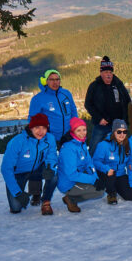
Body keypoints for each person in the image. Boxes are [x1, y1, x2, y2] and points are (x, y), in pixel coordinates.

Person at [27, 69, 78, 206]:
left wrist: (74, 128)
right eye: (51, 79)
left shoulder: (66, 94)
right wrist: (40, 134)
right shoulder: (38, 99)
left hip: (66, 136)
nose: (55, 82)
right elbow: (32, 119)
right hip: (47, 137)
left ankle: (68, 190)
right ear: (46, 81)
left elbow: (73, 111)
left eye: (57, 79)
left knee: (67, 163)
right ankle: (36, 194)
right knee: (40, 164)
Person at [0, 113, 58, 215]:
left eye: (44, 128)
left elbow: (52, 156)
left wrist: (50, 167)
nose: (41, 131)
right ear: (31, 127)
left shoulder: (50, 138)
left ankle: (46, 202)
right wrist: (17, 193)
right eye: (37, 127)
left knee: (54, 174)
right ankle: (19, 194)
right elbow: (6, 169)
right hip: (18, 174)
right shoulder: (17, 141)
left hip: (36, 170)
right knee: (16, 208)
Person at [85, 56, 131, 156]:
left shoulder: (118, 84)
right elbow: (88, 104)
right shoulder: (94, 86)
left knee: (119, 150)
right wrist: (99, 118)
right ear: (101, 73)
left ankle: (118, 168)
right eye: (106, 72)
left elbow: (127, 101)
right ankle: (90, 168)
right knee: (94, 147)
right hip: (102, 124)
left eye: (110, 72)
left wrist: (125, 120)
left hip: (118, 125)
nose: (108, 75)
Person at [58, 118, 104, 213]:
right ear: (73, 131)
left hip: (78, 177)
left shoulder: (81, 143)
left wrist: (95, 178)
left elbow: (89, 163)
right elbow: (71, 174)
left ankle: (73, 197)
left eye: (84, 129)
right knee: (99, 192)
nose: (82, 133)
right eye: (78, 130)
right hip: (68, 183)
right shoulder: (68, 148)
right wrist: (93, 180)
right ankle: (70, 198)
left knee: (102, 185)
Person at [92, 119, 132, 204]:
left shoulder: (130, 144)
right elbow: (95, 161)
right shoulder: (104, 145)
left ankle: (116, 186)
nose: (122, 134)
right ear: (113, 132)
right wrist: (106, 169)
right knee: (111, 176)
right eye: (119, 132)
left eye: (124, 132)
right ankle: (111, 193)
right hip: (107, 173)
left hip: (120, 174)